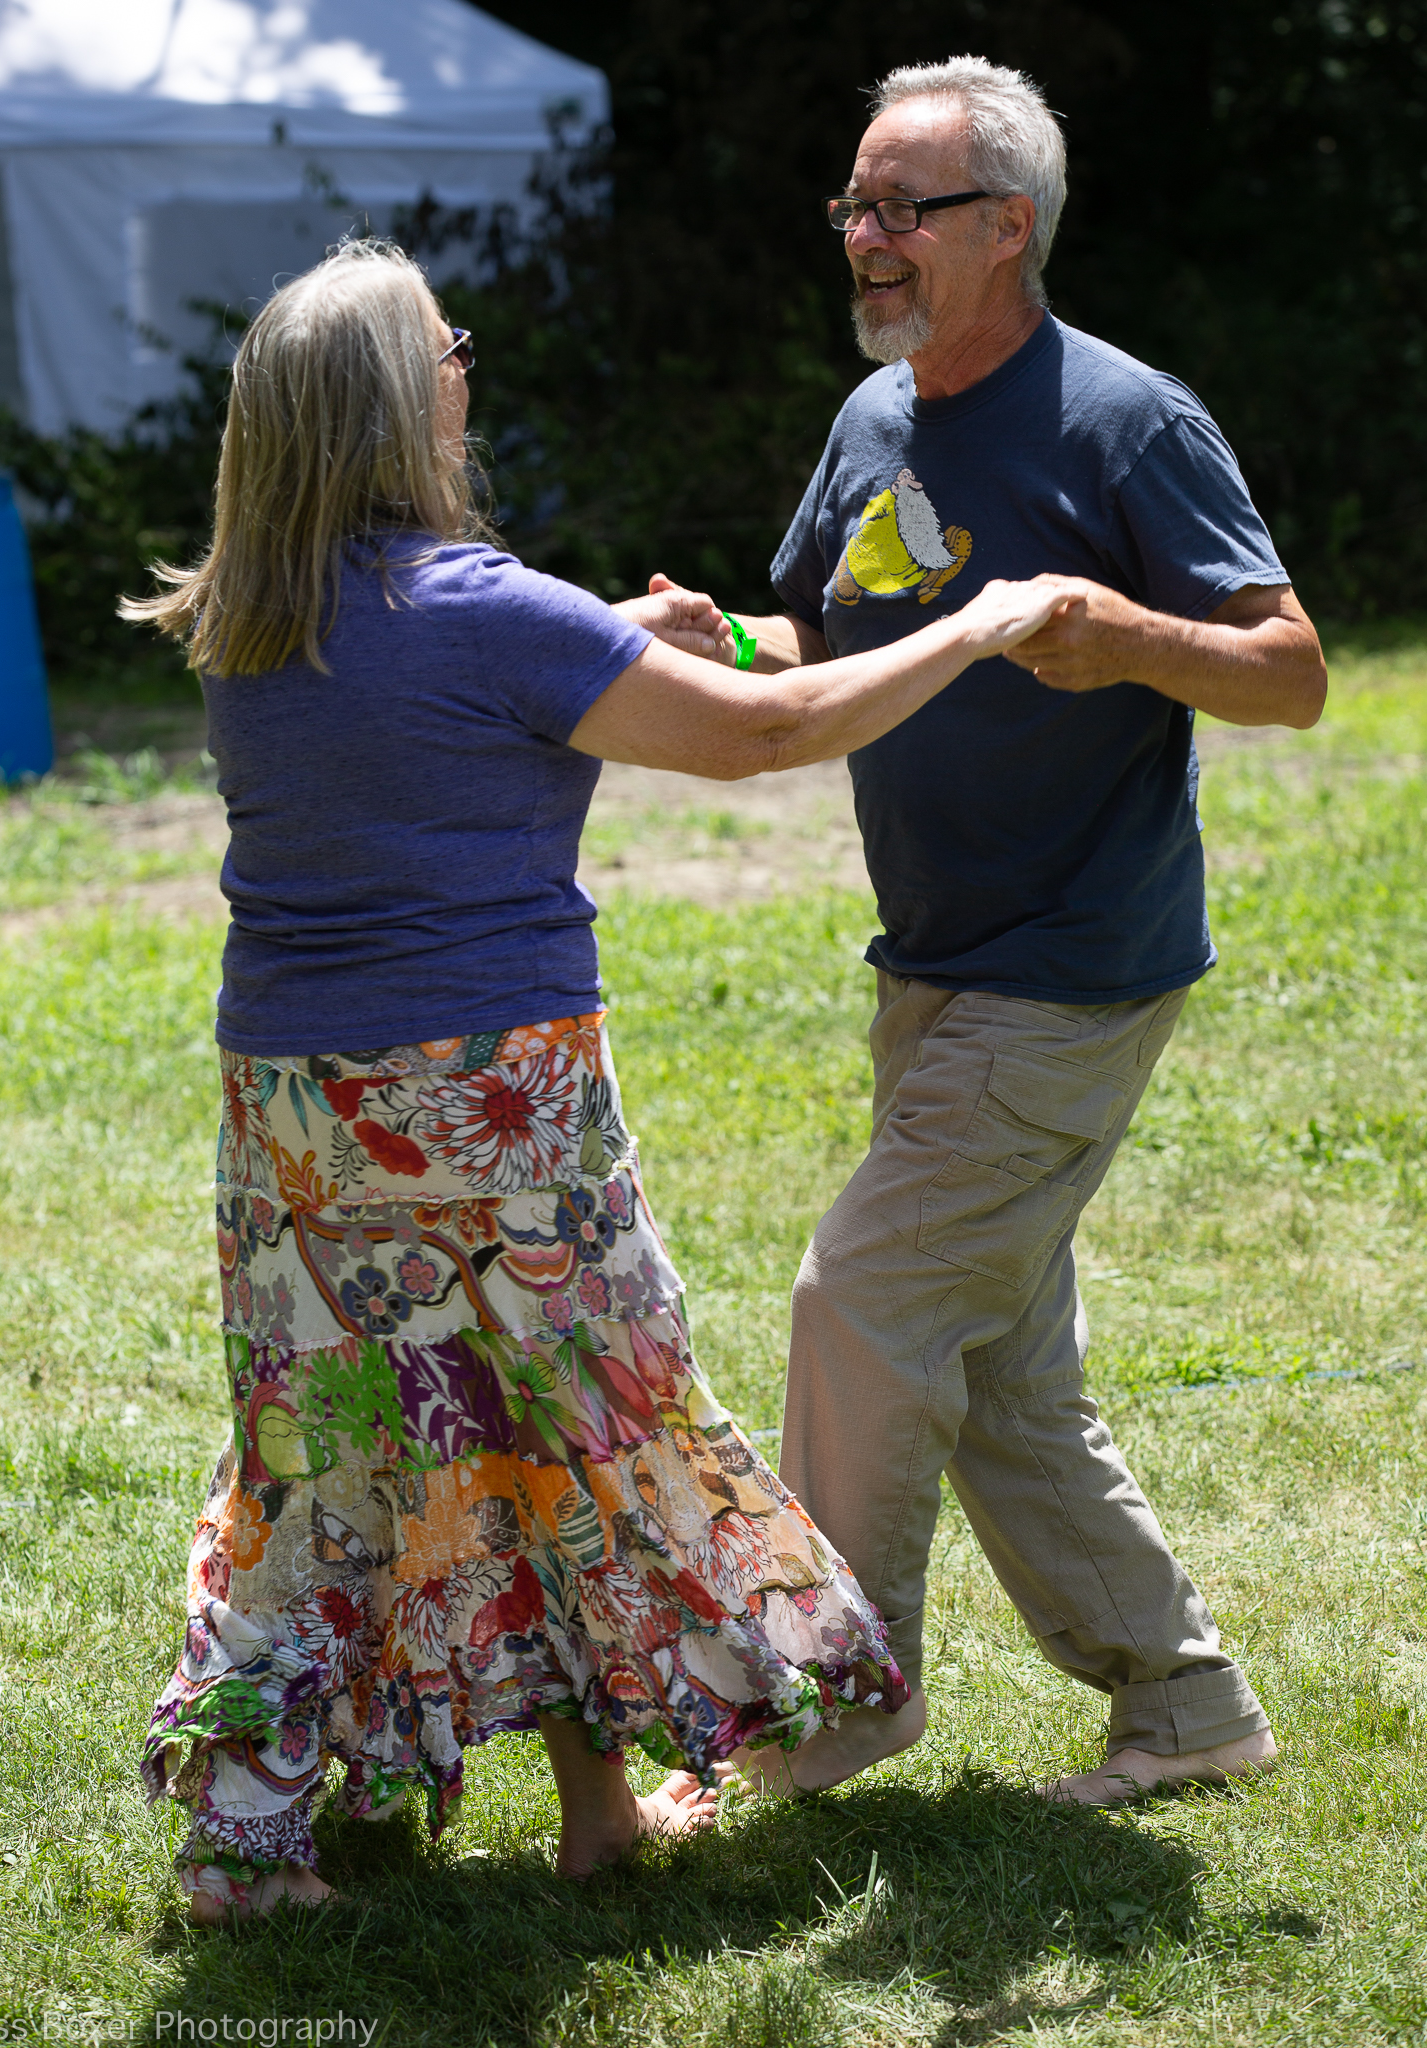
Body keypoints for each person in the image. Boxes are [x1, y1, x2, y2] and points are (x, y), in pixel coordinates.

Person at [121, 239, 1071, 1921]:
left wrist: (614, 641)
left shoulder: (251, 617)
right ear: (397, 406)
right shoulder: (487, 610)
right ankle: (621, 1795)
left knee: (331, 1442)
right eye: (448, 351)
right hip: (497, 1097)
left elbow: (433, 723)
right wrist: (980, 629)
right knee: (590, 1423)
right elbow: (772, 732)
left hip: (296, 1108)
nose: (463, 371)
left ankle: (262, 1838)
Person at [665, 56, 1327, 1805]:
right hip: (937, 964)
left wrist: (1128, 637)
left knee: (863, 1298)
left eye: (903, 209)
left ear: (1006, 226)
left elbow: (1293, 669)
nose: (865, 241)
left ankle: (837, 1697)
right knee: (1006, 1379)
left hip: (1077, 969)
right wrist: (712, 639)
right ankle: (1184, 1710)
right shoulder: (872, 420)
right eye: (855, 209)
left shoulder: (1127, 422)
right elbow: (829, 639)